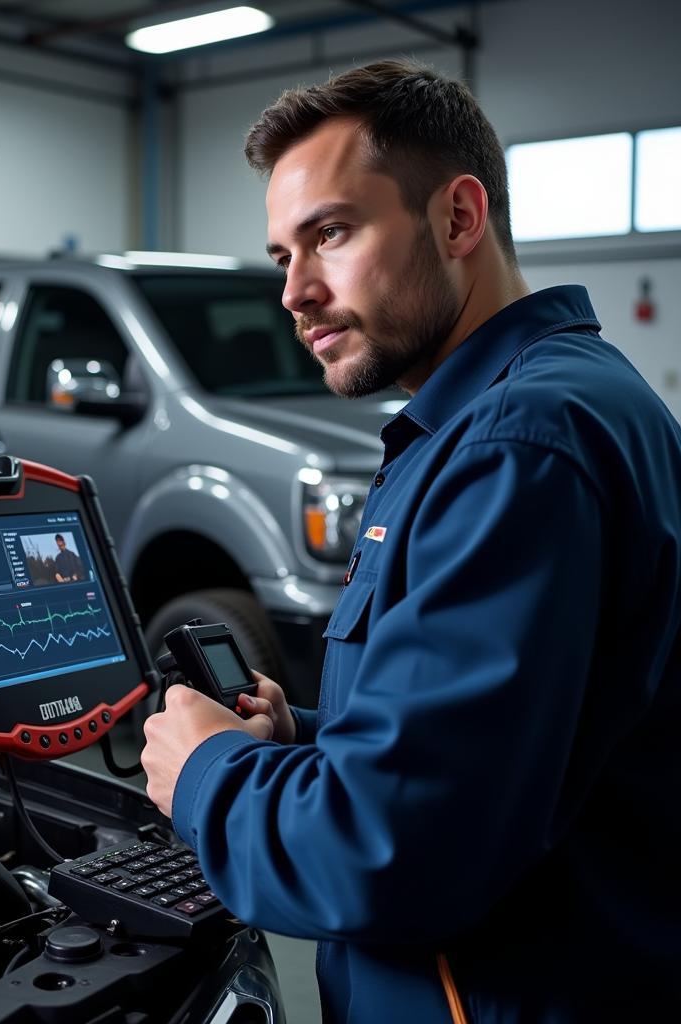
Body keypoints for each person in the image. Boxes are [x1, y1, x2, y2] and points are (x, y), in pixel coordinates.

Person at [140, 60, 681, 1023]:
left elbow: (391, 855)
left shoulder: (519, 446)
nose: (296, 293)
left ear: (458, 220)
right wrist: (295, 740)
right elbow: (528, 746)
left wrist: (208, 775)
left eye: (331, 234)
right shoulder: (525, 411)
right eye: (281, 258)